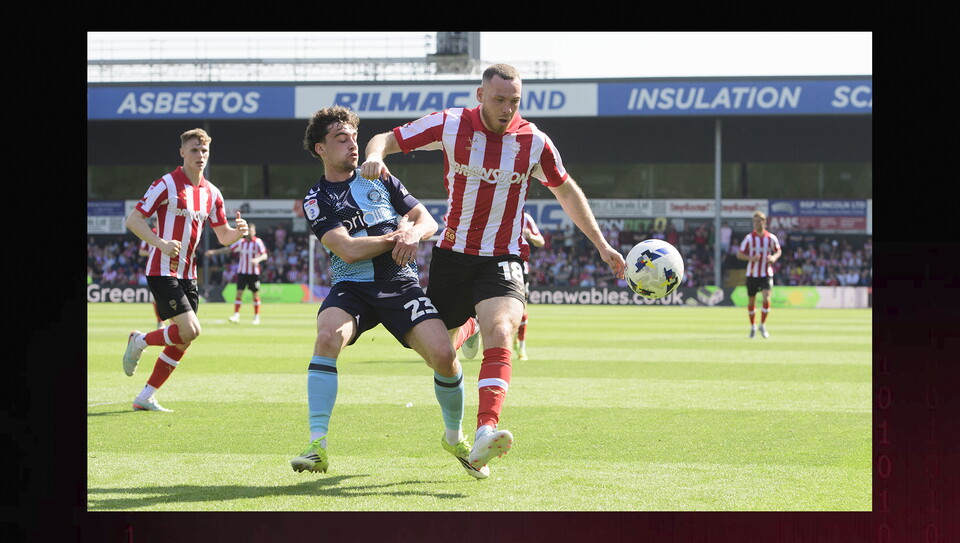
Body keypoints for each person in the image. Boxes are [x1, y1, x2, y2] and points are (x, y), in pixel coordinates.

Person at [361, 64, 626, 474]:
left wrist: (602, 245)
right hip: (452, 255)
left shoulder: (534, 142)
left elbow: (567, 191)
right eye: (499, 99)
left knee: (502, 329)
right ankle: (455, 425)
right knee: (440, 354)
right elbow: (386, 139)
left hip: (503, 256)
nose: (506, 109)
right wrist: (375, 156)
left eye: (514, 101)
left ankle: (486, 430)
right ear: (480, 94)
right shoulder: (450, 124)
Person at [290, 106, 488, 479]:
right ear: (320, 149)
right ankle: (317, 444)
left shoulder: (382, 177)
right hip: (352, 288)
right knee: (328, 335)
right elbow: (346, 248)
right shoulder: (317, 198)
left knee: (444, 356)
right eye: (341, 139)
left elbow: (426, 219)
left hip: (400, 285)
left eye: (354, 137)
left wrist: (413, 232)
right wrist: (396, 236)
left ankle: (454, 437)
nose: (353, 145)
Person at [121, 128, 248, 412]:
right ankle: (139, 341)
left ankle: (145, 396)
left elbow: (223, 236)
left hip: (188, 275)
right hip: (162, 269)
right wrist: (161, 243)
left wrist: (238, 233)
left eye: (204, 151)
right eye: (194, 150)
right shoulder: (166, 184)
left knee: (184, 338)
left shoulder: (212, 193)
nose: (200, 156)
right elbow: (134, 219)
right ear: (182, 153)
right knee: (191, 329)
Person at [206, 222, 269, 325]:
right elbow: (229, 249)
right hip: (242, 272)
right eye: (248, 230)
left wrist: (257, 259)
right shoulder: (241, 242)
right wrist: (214, 252)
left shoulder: (258, 242)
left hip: (253, 273)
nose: (250, 233)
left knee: (255, 295)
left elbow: (265, 255)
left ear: (254, 232)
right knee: (239, 293)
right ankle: (236, 315)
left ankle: (256, 317)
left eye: (251, 231)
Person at [736, 210, 782, 338]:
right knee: (752, 301)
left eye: (759, 221)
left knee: (766, 298)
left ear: (764, 222)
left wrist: (773, 258)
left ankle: (762, 324)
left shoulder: (771, 238)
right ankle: (752, 326)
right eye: (755, 221)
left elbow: (778, 251)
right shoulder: (749, 238)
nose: (757, 223)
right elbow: (739, 254)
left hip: (766, 273)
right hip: (752, 274)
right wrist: (751, 258)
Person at [514, 208, 544, 360]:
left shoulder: (526, 218)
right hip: (495, 265)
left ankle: (521, 346)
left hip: (520, 269)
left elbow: (541, 241)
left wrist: (530, 235)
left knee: (522, 309)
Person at [138, 219, 165, 329]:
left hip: (168, 268)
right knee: (156, 298)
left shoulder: (169, 232)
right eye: (157, 221)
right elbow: (141, 251)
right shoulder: (150, 234)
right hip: (154, 269)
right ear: (154, 223)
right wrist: (153, 253)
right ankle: (160, 322)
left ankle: (174, 321)